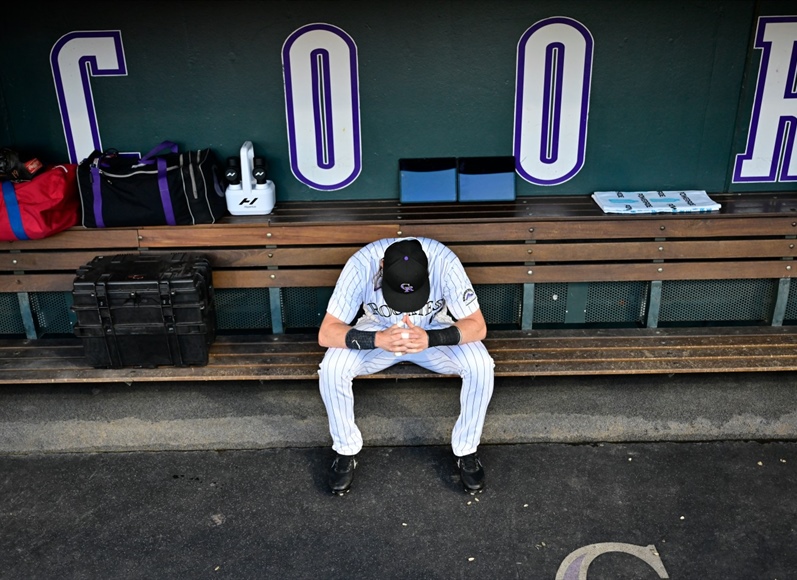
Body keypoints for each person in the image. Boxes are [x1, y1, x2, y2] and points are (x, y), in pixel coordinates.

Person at [317, 237, 495, 495]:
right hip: (379, 331)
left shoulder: (444, 261)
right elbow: (327, 333)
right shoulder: (361, 264)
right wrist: (376, 339)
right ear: (381, 268)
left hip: (432, 330)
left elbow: (477, 326)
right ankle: (346, 450)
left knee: (480, 364)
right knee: (332, 367)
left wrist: (432, 338)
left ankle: (466, 449)